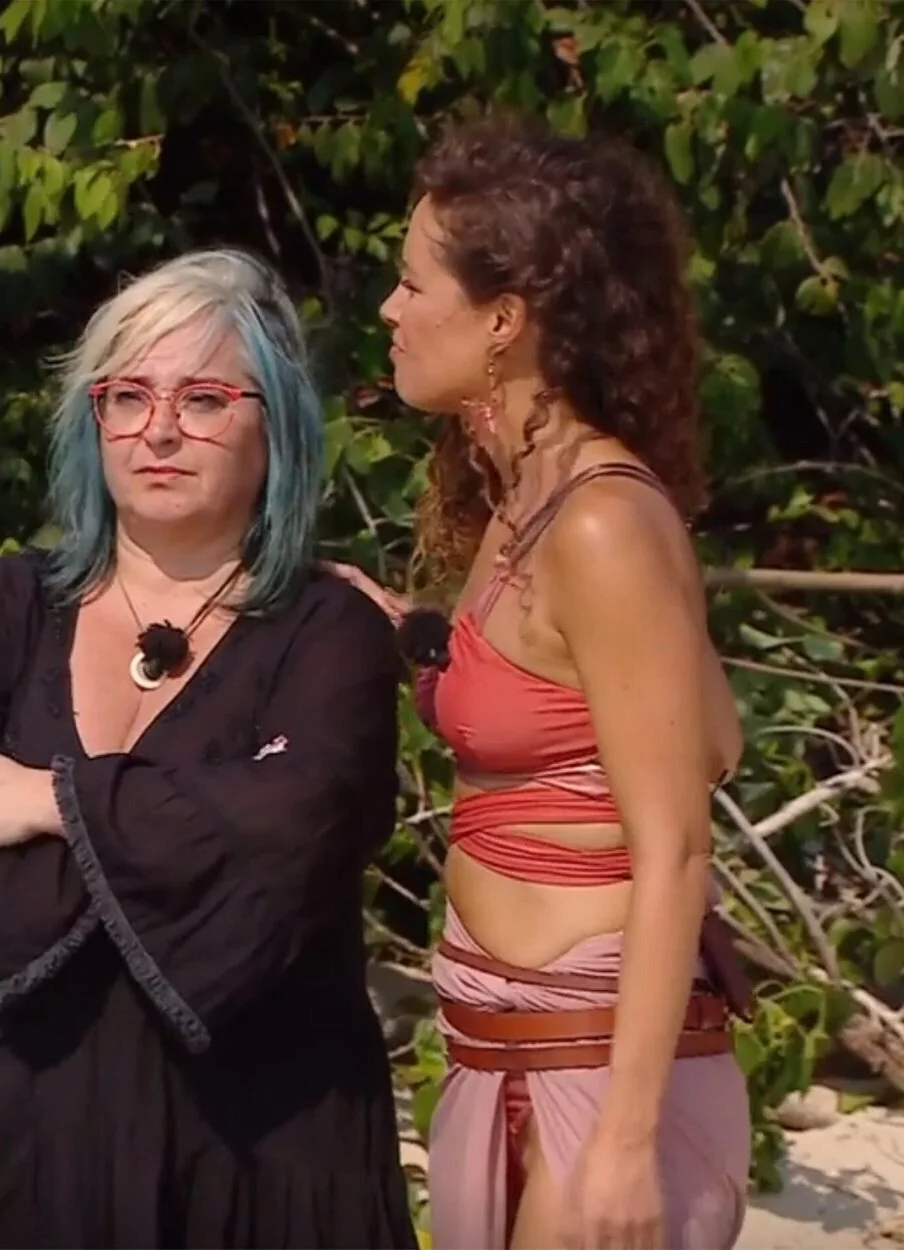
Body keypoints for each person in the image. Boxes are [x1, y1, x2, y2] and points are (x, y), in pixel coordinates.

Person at [0, 248, 417, 1249]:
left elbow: (293, 840)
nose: (158, 429)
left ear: (276, 425)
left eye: (204, 399)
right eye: (127, 396)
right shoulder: (2, 612)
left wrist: (47, 800)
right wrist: (192, 828)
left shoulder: (327, 631)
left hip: (250, 1158)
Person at [331, 114, 752, 1249]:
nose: (390, 309)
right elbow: (714, 733)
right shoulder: (527, 496)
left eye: (412, 282)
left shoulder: (602, 520)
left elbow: (677, 844)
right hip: (502, 1048)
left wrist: (622, 1140)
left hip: (595, 1071)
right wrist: (416, 638)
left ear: (503, 319)